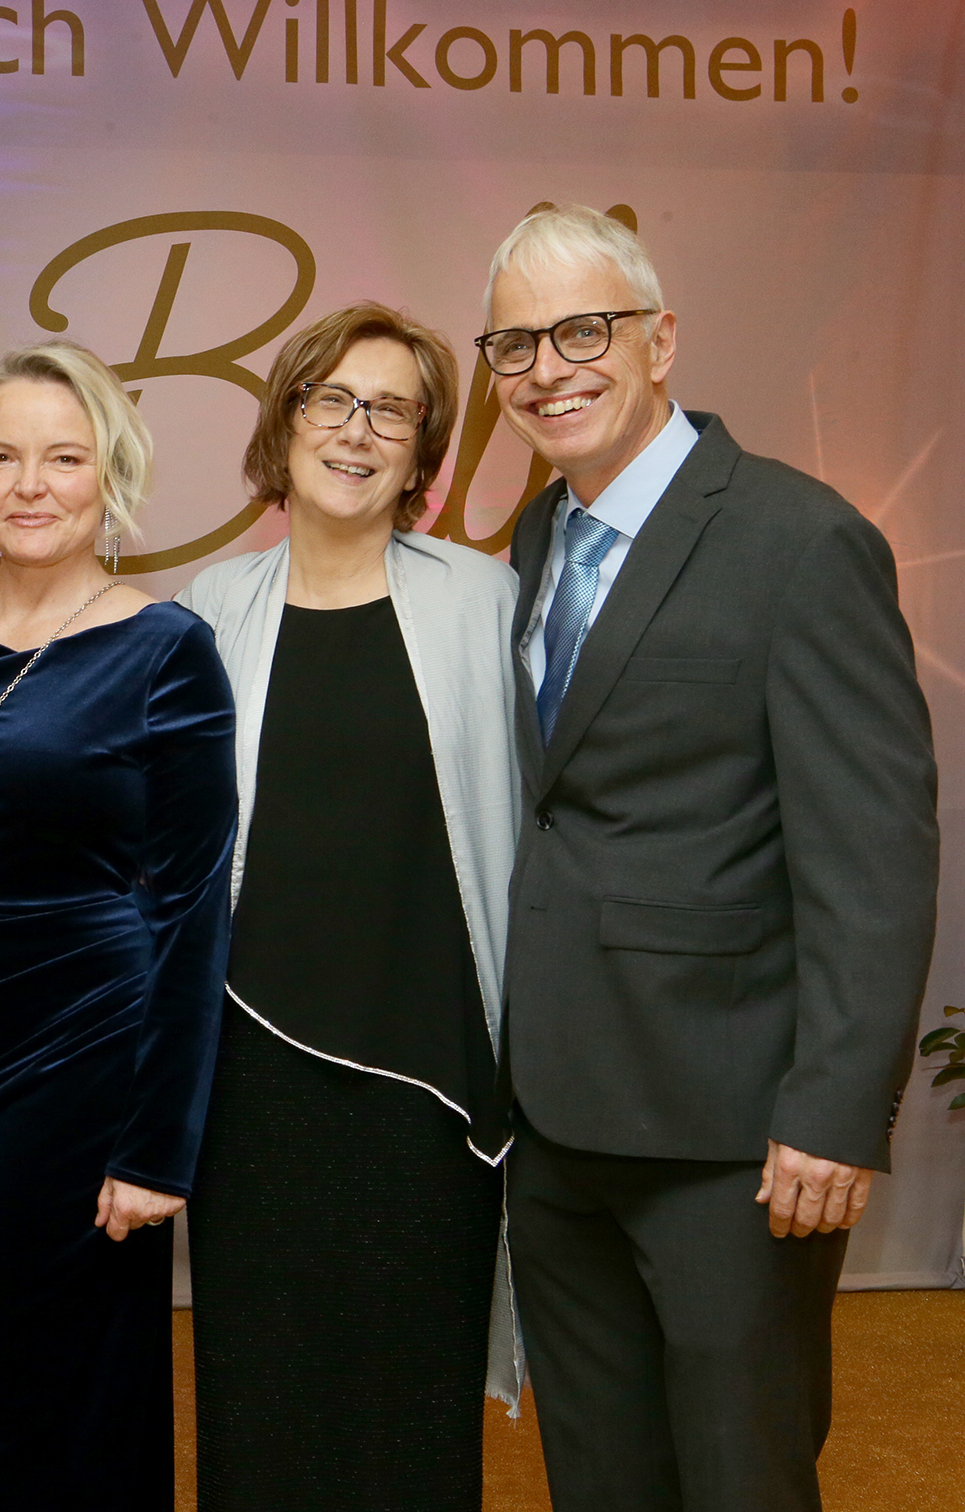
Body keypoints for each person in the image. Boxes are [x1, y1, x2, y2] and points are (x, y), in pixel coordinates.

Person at [487, 205, 937, 1511]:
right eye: (515, 343)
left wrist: (834, 1112)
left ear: (661, 338)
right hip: (559, 1121)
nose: (548, 368)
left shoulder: (801, 541)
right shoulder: (538, 536)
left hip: (735, 1140)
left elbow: (875, 855)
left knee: (743, 1476)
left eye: (584, 330)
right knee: (601, 1476)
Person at [0, 341, 237, 1511]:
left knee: (70, 1395)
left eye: (63, 458)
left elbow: (190, 905)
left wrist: (157, 1147)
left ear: (111, 472)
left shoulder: (168, 651)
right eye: (1, 456)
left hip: (80, 1076)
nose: (29, 485)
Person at [174, 303, 519, 1509]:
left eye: (392, 411)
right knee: (261, 1399)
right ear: (285, 423)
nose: (357, 430)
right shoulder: (210, 607)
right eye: (331, 400)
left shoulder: (487, 601)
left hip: (429, 1084)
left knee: (411, 1412)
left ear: (424, 453)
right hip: (252, 1082)